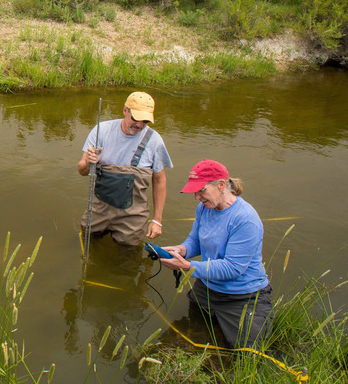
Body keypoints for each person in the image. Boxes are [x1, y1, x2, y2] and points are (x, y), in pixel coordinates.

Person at [160, 159, 274, 349]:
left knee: (247, 351)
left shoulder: (245, 219)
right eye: (195, 191)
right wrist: (181, 250)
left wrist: (187, 266)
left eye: (201, 190)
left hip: (242, 296)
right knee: (194, 335)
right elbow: (196, 241)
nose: (197, 197)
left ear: (221, 185)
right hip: (207, 288)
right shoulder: (205, 208)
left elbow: (233, 268)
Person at [77, 91, 172, 246]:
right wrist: (88, 161)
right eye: (135, 118)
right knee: (88, 238)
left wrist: (157, 220)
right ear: (124, 110)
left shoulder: (155, 141)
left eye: (145, 120)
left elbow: (160, 181)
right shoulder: (102, 130)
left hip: (133, 215)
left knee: (127, 254)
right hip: (99, 208)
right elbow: (81, 170)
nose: (140, 124)